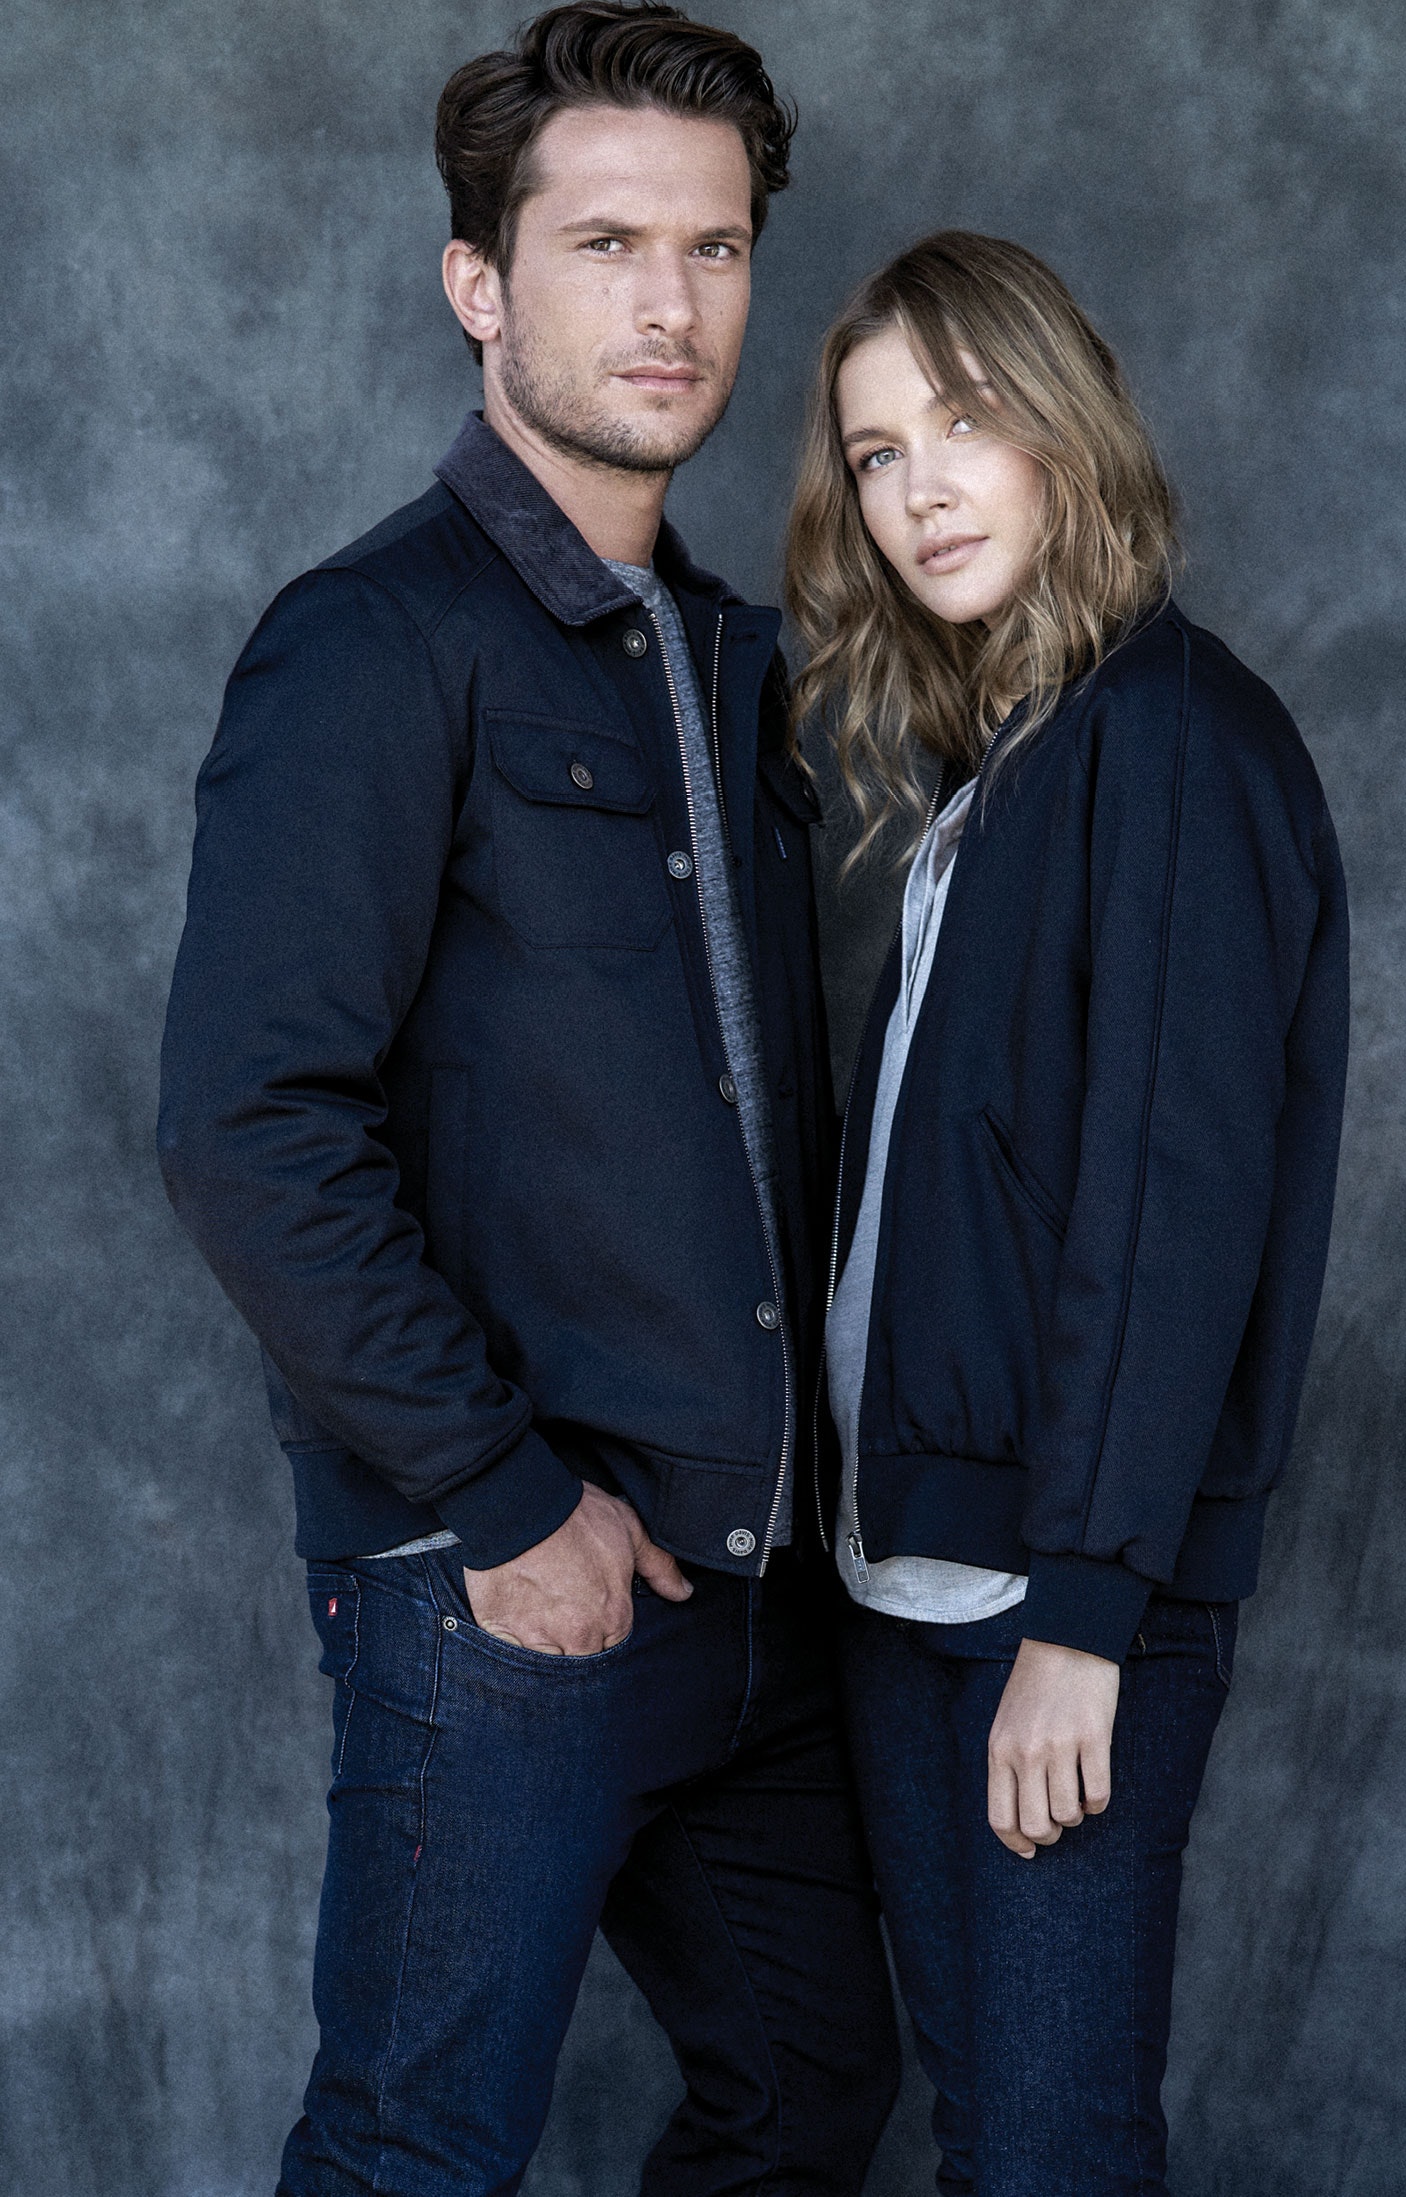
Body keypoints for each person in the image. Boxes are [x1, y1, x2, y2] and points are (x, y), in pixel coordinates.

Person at [157, 7, 900, 2191]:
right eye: (602, 244)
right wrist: (499, 1498)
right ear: (476, 284)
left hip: (748, 1589)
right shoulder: (370, 644)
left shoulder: (729, 657)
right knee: (414, 2149)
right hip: (505, 1588)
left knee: (809, 2090)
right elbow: (247, 1126)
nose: (670, 305)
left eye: (713, 247)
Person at [784, 230, 1350, 2196]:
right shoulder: (1003, 768)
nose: (916, 487)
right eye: (874, 452)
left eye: (961, 422)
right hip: (909, 1584)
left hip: (1053, 1602)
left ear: (1063, 429)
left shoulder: (1168, 740)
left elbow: (1169, 1207)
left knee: (1049, 2150)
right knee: (984, 2132)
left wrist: (1085, 1613)